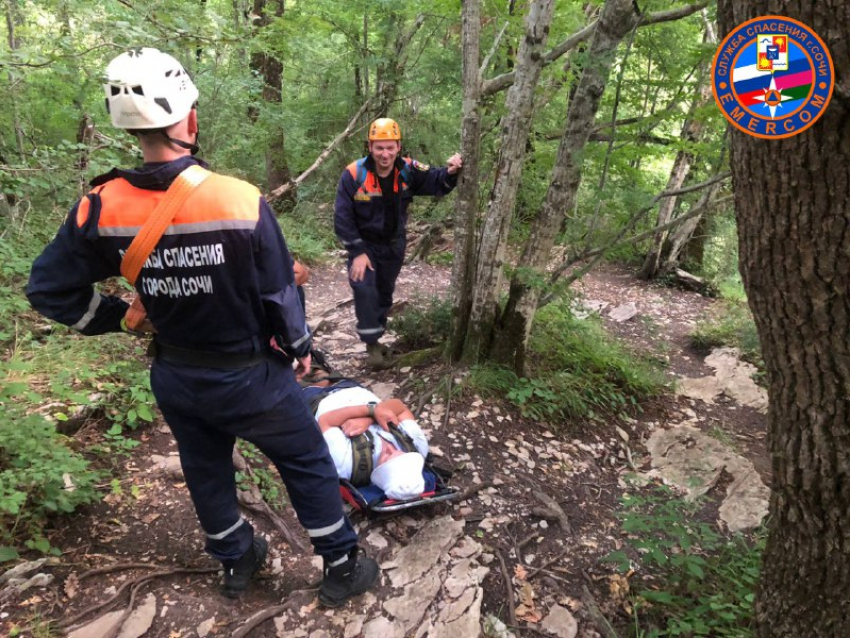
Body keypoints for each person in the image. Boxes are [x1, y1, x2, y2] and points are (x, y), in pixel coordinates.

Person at [25, 48, 377, 608]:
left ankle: (236, 560)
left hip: (177, 374)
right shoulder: (238, 199)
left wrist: (121, 319)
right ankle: (340, 564)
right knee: (305, 459)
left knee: (205, 466)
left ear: (126, 127)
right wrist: (300, 347)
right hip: (252, 377)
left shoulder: (100, 207)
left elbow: (47, 289)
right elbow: (277, 291)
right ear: (189, 119)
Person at [334, 118, 462, 368]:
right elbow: (342, 216)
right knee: (364, 289)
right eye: (379, 148)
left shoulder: (408, 169)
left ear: (398, 147)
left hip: (393, 245)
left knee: (384, 293)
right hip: (365, 246)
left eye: (390, 147)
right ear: (370, 146)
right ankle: (372, 346)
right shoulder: (354, 174)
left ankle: (377, 337)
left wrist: (451, 171)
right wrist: (357, 251)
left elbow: (435, 180)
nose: (385, 154)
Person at [301, 369, 430, 500]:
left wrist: (371, 411)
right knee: (319, 372)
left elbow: (326, 420)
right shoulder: (416, 446)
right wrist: (370, 417)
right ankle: (317, 371)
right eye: (400, 453)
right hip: (354, 389)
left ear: (380, 472)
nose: (390, 449)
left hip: (318, 400)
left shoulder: (348, 465)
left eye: (386, 457)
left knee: (299, 378)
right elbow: (400, 406)